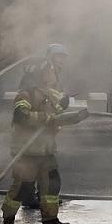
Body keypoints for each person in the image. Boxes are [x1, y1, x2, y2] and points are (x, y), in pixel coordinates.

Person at [2, 80, 70, 224]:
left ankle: (50, 219)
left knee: (52, 185)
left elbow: (55, 116)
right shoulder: (26, 95)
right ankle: (8, 220)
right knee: (22, 188)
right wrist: (44, 117)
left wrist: (62, 107)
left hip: (46, 150)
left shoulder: (50, 96)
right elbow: (20, 115)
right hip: (27, 151)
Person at [16, 45, 70, 210]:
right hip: (34, 130)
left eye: (63, 57)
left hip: (45, 129)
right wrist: (45, 116)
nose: (62, 60)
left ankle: (41, 198)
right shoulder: (44, 71)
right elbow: (40, 100)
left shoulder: (53, 72)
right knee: (33, 166)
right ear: (50, 57)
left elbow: (52, 101)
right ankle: (30, 198)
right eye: (59, 57)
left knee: (42, 167)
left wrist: (61, 104)